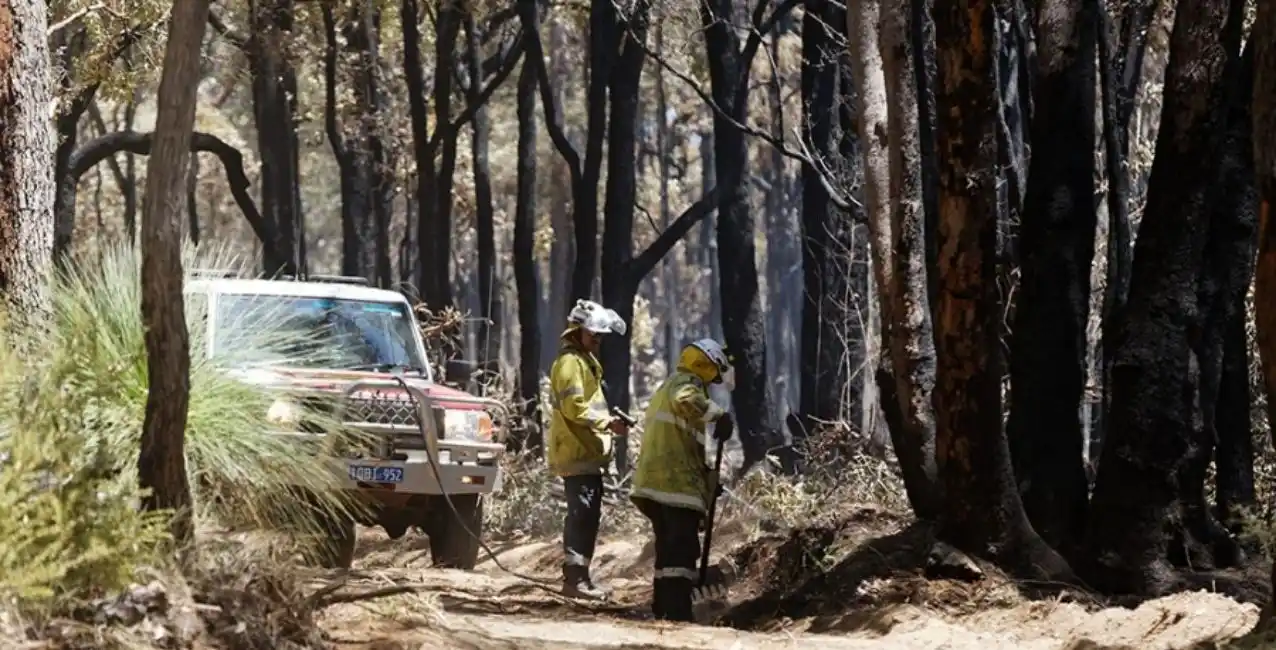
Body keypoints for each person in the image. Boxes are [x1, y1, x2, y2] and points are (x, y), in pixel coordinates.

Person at [629, 338, 735, 622]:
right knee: (683, 549)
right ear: (706, 366)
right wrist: (719, 415)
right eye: (713, 377)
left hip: (657, 484)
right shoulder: (686, 384)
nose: (711, 384)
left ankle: (663, 607)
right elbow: (686, 400)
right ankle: (677, 612)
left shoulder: (667, 386)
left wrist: (706, 481)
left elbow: (682, 445)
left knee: (667, 550)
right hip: (674, 485)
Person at [547, 299, 630, 599]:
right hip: (576, 452)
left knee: (587, 514)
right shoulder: (570, 363)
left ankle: (581, 578)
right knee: (582, 514)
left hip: (586, 454)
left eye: (601, 336)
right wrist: (607, 423)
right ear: (577, 331)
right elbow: (574, 407)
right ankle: (575, 581)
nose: (598, 340)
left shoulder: (583, 361)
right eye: (593, 334)